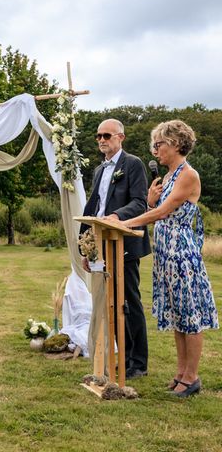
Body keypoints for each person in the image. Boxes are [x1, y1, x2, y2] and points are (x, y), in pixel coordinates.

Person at [110, 120, 218, 397]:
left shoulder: (188, 175)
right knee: (178, 314)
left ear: (177, 144)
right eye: (154, 145)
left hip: (182, 253)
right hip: (165, 253)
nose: (155, 150)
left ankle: (192, 377)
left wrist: (126, 223)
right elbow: (156, 209)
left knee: (190, 316)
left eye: (159, 144)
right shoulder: (168, 177)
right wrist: (149, 200)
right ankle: (181, 372)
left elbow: (163, 213)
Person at [80, 119, 151, 379]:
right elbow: (93, 208)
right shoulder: (99, 170)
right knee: (110, 302)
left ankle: (138, 363)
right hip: (101, 241)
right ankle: (122, 356)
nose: (101, 140)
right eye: (98, 135)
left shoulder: (132, 164)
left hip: (125, 242)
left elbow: (139, 203)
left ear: (120, 137)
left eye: (106, 135)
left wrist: (115, 217)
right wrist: (85, 247)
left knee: (129, 301)